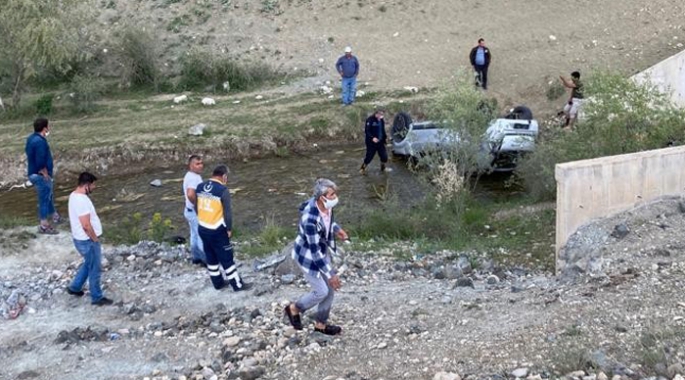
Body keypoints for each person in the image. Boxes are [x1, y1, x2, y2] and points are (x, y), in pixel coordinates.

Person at [284, 178, 349, 336]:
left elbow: (327, 220)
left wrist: (336, 229)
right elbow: (314, 253)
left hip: (321, 250)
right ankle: (294, 308)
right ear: (322, 197)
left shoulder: (325, 206)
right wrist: (331, 274)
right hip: (308, 257)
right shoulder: (309, 221)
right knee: (321, 291)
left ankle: (321, 324)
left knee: (330, 290)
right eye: (332, 194)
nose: (335, 197)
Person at [195, 165, 251, 291]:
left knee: (211, 256)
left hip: (203, 227)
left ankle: (217, 283)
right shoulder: (222, 190)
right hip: (217, 229)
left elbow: (196, 205)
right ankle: (237, 285)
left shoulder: (200, 187)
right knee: (226, 257)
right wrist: (229, 229)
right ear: (224, 176)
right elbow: (227, 213)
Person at [66, 172, 113, 306]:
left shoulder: (73, 196)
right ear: (87, 185)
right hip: (88, 241)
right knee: (95, 268)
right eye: (93, 185)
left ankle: (74, 288)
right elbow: (86, 225)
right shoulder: (81, 200)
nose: (94, 187)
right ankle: (97, 297)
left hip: (79, 239)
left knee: (89, 263)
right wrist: (95, 239)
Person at [25, 117, 61, 234]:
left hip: (33, 173)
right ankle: (44, 225)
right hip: (40, 175)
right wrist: (44, 172)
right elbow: (40, 159)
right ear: (45, 128)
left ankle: (55, 216)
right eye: (48, 126)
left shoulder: (31, 138)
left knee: (49, 196)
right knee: (44, 200)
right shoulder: (40, 142)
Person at [182, 155, 206, 265]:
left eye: (201, 163)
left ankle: (196, 258)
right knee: (201, 235)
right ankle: (206, 260)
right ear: (191, 166)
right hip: (194, 211)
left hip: (188, 211)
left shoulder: (190, 175)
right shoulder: (193, 178)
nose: (200, 166)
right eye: (197, 164)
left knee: (194, 234)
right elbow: (191, 194)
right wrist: (197, 206)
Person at [359, 109, 391, 174]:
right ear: (376, 114)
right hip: (371, 143)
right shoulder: (370, 120)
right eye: (380, 114)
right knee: (369, 157)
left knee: (384, 157)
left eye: (382, 114)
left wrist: (385, 138)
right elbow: (367, 131)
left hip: (380, 142)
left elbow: (382, 130)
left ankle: (383, 167)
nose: (381, 116)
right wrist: (372, 138)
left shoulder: (381, 120)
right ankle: (362, 168)